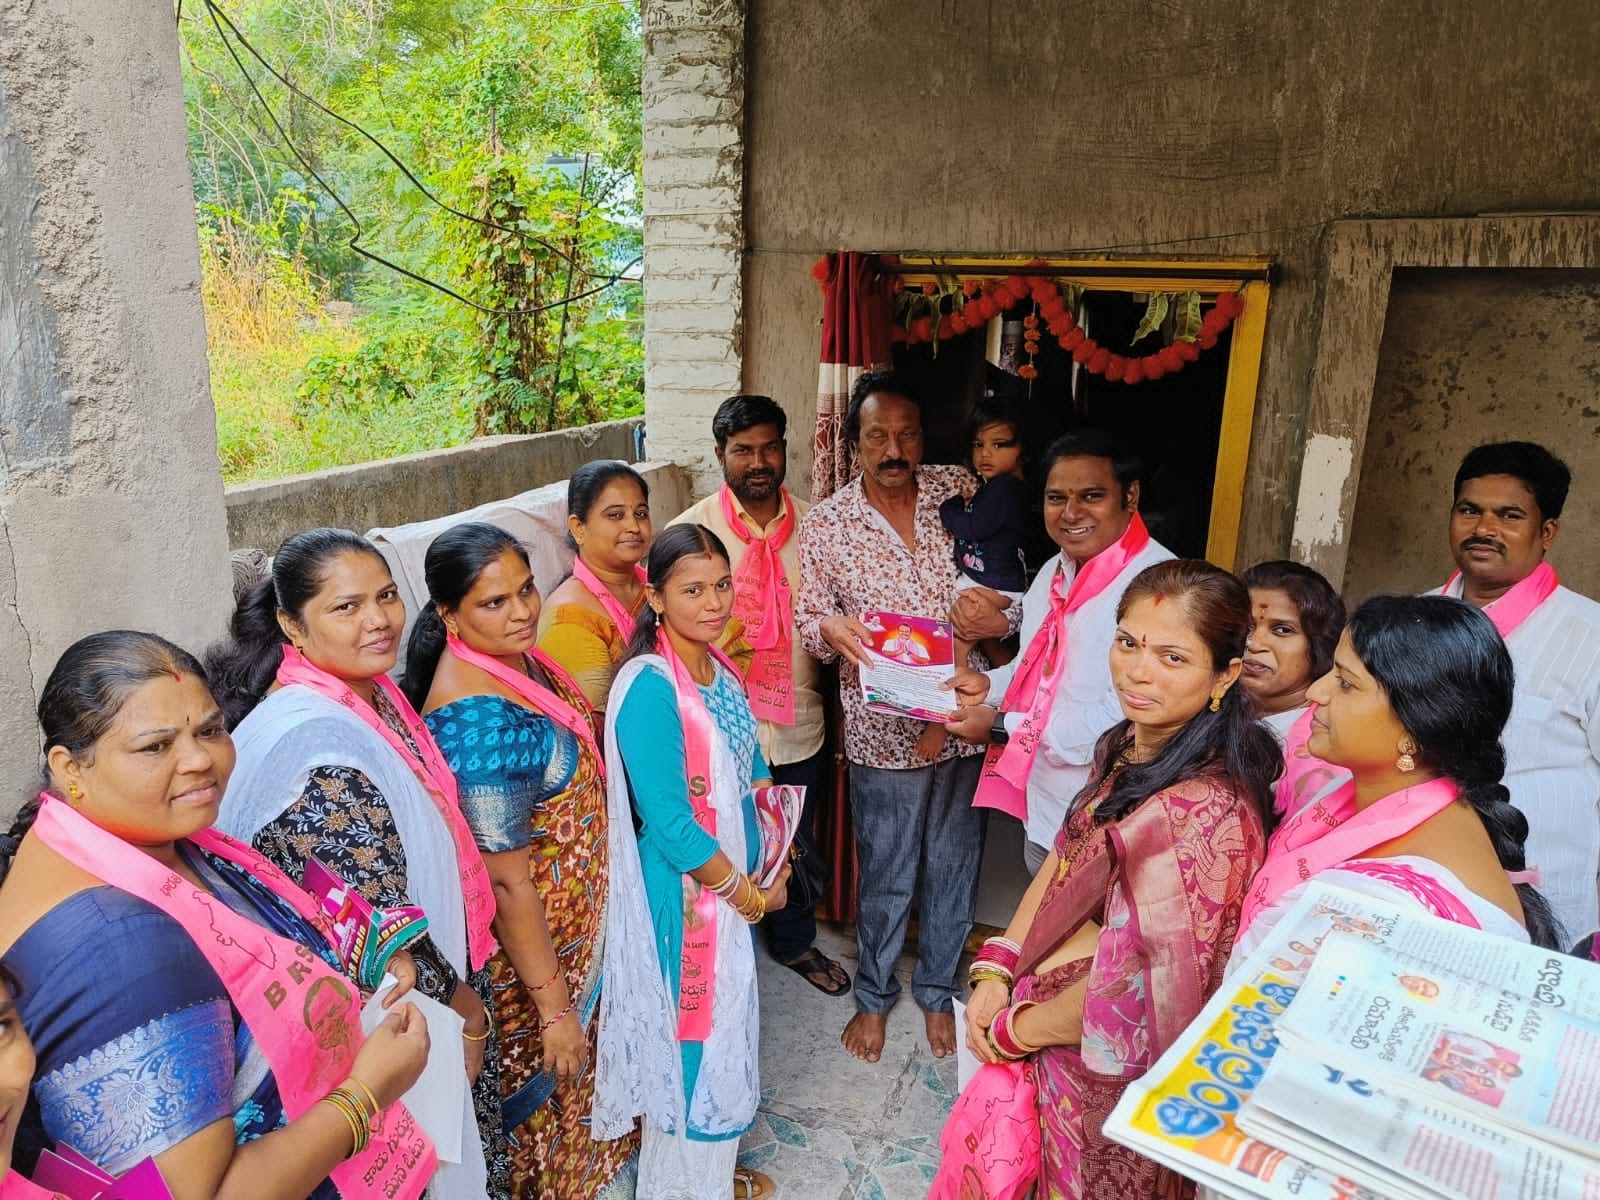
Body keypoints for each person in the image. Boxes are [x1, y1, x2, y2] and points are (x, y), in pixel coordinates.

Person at [0, 631, 433, 1200]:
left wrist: (367, 951)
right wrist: (365, 1095)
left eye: (209, 730)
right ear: (69, 767)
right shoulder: (124, 949)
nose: (200, 759)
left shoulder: (147, 840)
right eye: (156, 746)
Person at [950, 560, 1275, 1198]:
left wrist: (1016, 1030)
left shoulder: (1206, 813)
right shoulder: (1126, 743)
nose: (1138, 670)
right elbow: (1068, 859)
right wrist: (999, 964)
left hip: (1107, 1072)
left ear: (1225, 674)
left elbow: (1136, 990)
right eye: (1128, 642)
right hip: (1047, 1021)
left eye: (1173, 657)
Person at [206, 528, 506, 1199]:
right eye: (347, 607)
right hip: (395, 1024)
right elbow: (380, 940)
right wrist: (471, 1014)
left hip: (425, 1004)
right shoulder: (312, 754)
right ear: (291, 624)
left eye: (388, 596)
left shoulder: (373, 697)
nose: (378, 620)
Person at [402, 523, 637, 1199]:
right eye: (494, 602)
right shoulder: (477, 724)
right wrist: (556, 1011)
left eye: (526, 589)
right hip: (535, 974)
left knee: (585, 1107)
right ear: (448, 615)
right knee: (549, 1120)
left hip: (569, 948)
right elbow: (505, 884)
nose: (524, 610)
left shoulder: (516, 662)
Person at [592, 524, 790, 1200]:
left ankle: (708, 1175)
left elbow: (752, 764)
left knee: (722, 1027)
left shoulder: (718, 666)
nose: (714, 603)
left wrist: (776, 850)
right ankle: (679, 1188)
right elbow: (674, 826)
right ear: (655, 597)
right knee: (691, 1042)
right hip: (686, 900)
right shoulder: (650, 688)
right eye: (692, 590)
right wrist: (748, 896)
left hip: (730, 888)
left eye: (722, 585)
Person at [795, 369, 985, 1064]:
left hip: (965, 723)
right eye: (878, 434)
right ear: (856, 442)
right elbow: (809, 619)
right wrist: (834, 631)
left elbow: (1004, 580)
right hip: (884, 732)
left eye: (906, 434)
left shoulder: (958, 490)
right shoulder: (828, 524)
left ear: (923, 438)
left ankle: (937, 990)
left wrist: (997, 621)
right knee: (888, 870)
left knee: (955, 864)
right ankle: (874, 996)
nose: (894, 447)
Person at [1236, 594, 1564, 960]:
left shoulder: (1396, 907)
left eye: (1346, 683)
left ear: (1417, 725)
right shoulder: (1367, 795)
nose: (1316, 692)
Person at [669, 395, 848, 997]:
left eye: (769, 446)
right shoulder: (691, 532)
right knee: (720, 834)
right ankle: (722, 954)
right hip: (719, 726)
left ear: (786, 448)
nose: (758, 461)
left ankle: (794, 942)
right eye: (743, 450)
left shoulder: (819, 526)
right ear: (721, 455)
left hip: (800, 720)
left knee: (791, 837)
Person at [943, 429, 1176, 875]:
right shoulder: (1055, 570)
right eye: (1056, 498)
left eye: (1091, 496)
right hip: (1048, 808)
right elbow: (1036, 666)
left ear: (1131, 496)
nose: (1071, 514)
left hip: (1114, 821)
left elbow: (1126, 719)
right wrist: (987, 686)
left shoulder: (1161, 589)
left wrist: (999, 727)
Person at [1426, 441, 1600, 941]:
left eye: (1508, 515)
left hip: (1545, 898)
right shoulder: (1407, 623)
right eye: (1469, 511)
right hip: (1422, 877)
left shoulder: (1588, 635)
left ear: (1546, 532)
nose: (1484, 529)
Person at [537, 461, 653, 715]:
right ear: (578, 527)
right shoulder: (568, 619)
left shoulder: (660, 585)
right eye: (615, 515)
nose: (634, 526)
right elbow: (600, 721)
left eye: (641, 513)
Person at [936, 399, 1031, 687]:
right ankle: (1017, 686)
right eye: (978, 445)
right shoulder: (998, 487)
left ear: (1023, 450)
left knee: (959, 634)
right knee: (989, 644)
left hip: (995, 584)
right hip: (996, 580)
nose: (985, 454)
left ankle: (952, 691)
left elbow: (974, 527)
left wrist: (949, 510)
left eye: (999, 444)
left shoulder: (1005, 489)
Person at [1238, 560, 1345, 741]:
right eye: (1246, 626)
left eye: (1282, 630)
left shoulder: (1329, 739)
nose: (1254, 644)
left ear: (1319, 644)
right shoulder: (1205, 711)